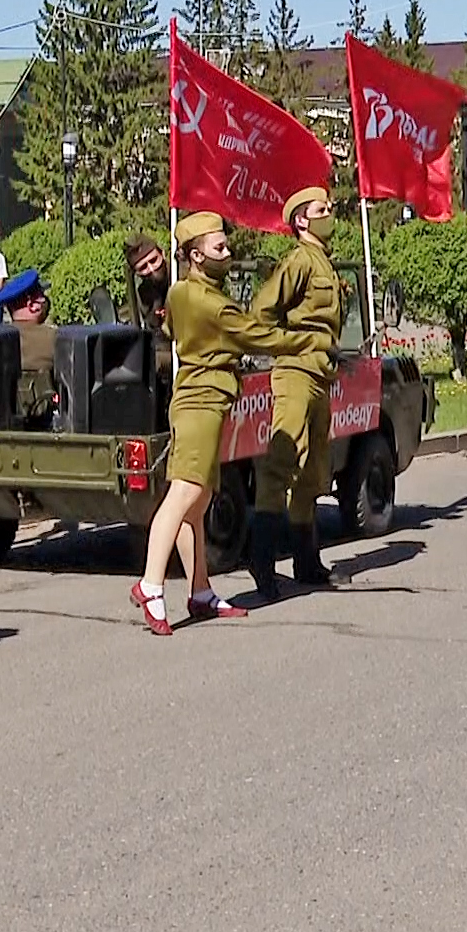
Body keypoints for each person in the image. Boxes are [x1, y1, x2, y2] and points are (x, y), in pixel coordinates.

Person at [127, 212, 333, 636]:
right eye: (219, 248)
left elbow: (168, 326)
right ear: (196, 255)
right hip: (202, 403)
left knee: (198, 502)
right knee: (182, 494)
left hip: (198, 399)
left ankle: (200, 590)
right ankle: (150, 585)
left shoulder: (181, 293)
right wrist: (309, 340)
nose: (228, 252)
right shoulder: (210, 302)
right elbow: (258, 335)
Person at [246, 185, 353, 602]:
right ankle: (262, 560)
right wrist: (287, 345)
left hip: (321, 375)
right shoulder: (298, 262)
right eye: (322, 209)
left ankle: (307, 562)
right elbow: (262, 311)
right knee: (281, 464)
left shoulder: (323, 262)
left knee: (314, 470)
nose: (331, 213)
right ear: (301, 221)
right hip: (294, 374)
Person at [0, 268, 57, 428]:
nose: (45, 301)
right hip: (46, 425)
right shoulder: (55, 339)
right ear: (32, 305)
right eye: (42, 296)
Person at [122, 232, 175, 377]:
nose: (151, 269)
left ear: (162, 253)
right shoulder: (143, 294)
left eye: (153, 260)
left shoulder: (181, 276)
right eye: (143, 267)